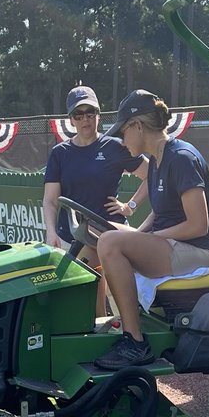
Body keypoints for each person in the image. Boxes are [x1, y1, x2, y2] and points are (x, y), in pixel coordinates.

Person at [93, 90, 209, 369]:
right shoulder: (158, 160)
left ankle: (135, 342)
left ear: (138, 126)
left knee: (111, 243)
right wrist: (139, 233)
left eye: (123, 132)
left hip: (199, 252)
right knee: (98, 231)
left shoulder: (181, 158)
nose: (122, 140)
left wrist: (149, 238)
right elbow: (159, 211)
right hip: (173, 246)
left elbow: (199, 224)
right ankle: (103, 320)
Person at [42, 85, 149, 315]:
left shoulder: (115, 147)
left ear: (99, 115)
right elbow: (50, 200)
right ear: (71, 120)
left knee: (123, 305)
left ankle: (128, 338)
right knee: (86, 307)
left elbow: (153, 175)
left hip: (110, 235)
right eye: (78, 115)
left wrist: (129, 206)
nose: (85, 120)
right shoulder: (60, 153)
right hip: (72, 238)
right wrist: (51, 232)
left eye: (90, 112)